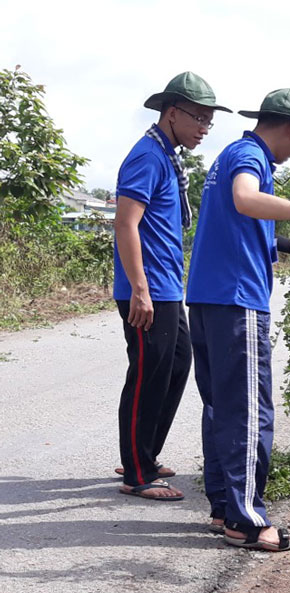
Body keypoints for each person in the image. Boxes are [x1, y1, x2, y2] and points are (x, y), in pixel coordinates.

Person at [186, 88, 290, 551]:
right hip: (238, 302)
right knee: (248, 412)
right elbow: (245, 200)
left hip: (207, 299)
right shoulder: (251, 157)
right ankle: (248, 520)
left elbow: (245, 224)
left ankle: (224, 508)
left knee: (221, 406)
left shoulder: (231, 154)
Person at [113, 72, 230, 502]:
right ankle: (137, 473)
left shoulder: (167, 156)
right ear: (172, 113)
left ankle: (141, 454)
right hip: (146, 291)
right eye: (198, 118)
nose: (203, 128)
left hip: (165, 288)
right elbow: (126, 223)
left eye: (208, 121)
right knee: (146, 376)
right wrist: (139, 290)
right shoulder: (147, 156)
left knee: (175, 367)